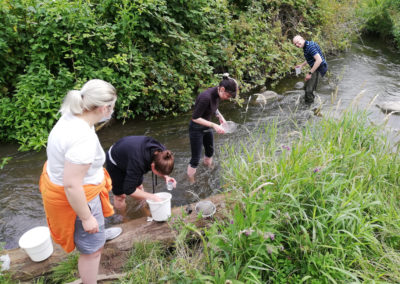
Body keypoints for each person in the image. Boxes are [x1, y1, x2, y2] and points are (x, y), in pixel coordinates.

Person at [39, 79, 120, 284]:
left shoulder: (73, 114)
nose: (112, 112)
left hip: (73, 185)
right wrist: (86, 218)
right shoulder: (81, 138)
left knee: (94, 234)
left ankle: (98, 234)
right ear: (104, 108)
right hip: (80, 196)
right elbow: (71, 185)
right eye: (112, 107)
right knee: (92, 251)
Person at [187, 73, 238, 183]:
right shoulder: (205, 97)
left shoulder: (217, 93)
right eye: (228, 96)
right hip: (196, 129)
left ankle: (209, 172)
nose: (228, 98)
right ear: (222, 89)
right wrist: (214, 125)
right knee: (195, 160)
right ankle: (191, 182)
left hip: (207, 126)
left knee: (209, 152)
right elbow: (195, 118)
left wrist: (220, 116)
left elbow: (213, 107)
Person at [105, 136, 176, 211]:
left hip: (131, 154)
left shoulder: (164, 154)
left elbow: (161, 167)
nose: (161, 176)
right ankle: (124, 219)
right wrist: (152, 197)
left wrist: (167, 177)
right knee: (120, 196)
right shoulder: (138, 162)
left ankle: (144, 210)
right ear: (152, 165)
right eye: (160, 174)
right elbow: (129, 190)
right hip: (115, 161)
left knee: (139, 187)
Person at [293, 35, 328, 104]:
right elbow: (311, 58)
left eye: (297, 42)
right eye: (295, 44)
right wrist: (301, 65)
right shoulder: (307, 45)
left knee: (309, 90)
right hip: (316, 66)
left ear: (302, 39)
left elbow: (319, 60)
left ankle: (310, 108)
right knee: (306, 87)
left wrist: (310, 73)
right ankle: (308, 100)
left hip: (319, 68)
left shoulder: (310, 47)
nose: (297, 44)